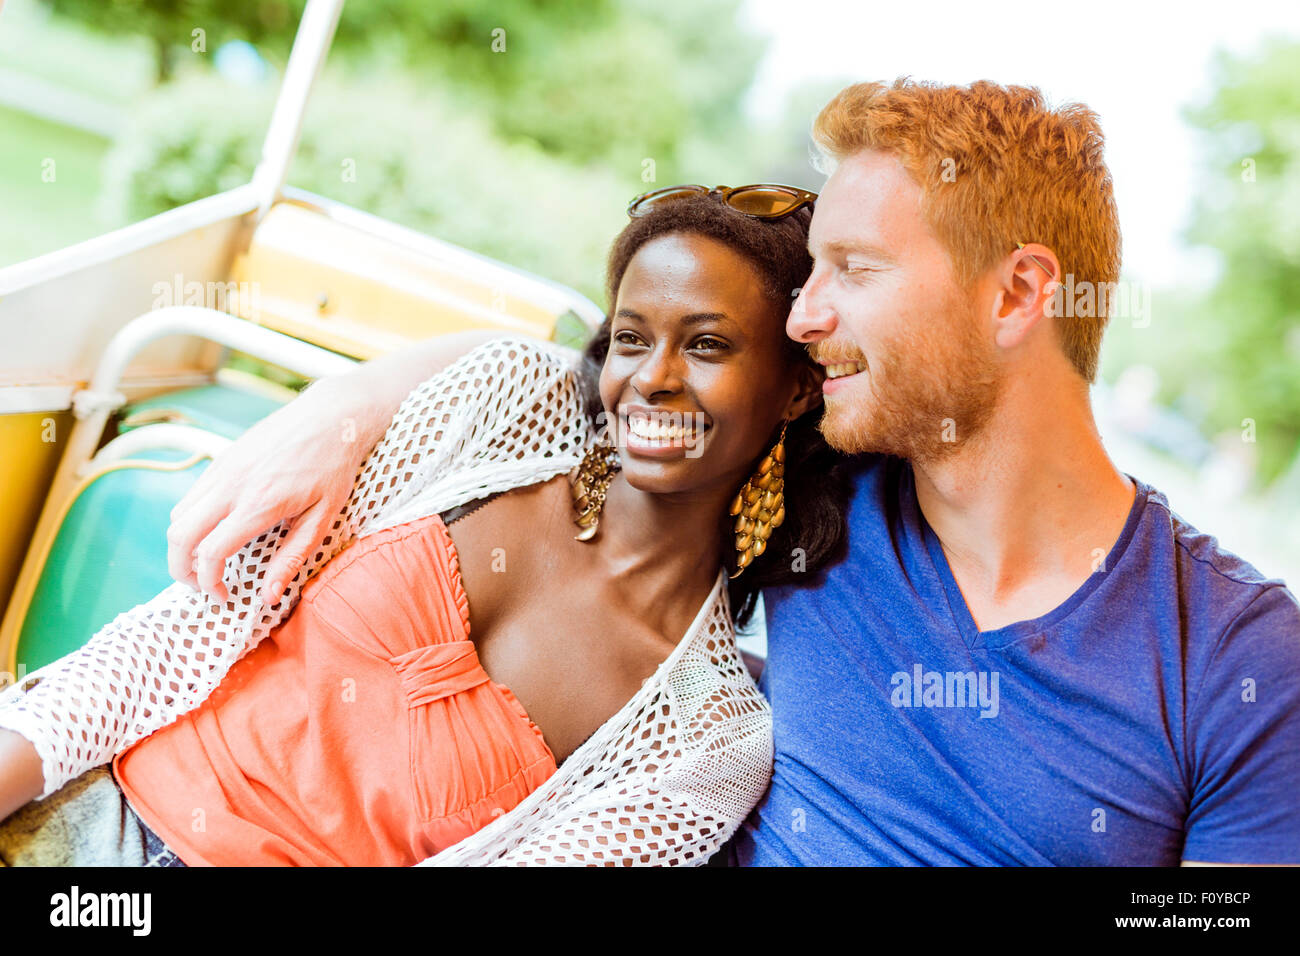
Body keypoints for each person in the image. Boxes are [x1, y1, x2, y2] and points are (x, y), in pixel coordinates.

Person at [156, 78, 1300, 868]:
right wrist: (345, 406)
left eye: (850, 269)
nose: (806, 314)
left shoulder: (1240, 657)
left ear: (1013, 294)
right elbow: (615, 376)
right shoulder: (821, 491)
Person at [0, 189, 845, 866]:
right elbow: (177, 639)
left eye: (706, 346)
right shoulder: (501, 411)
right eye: (632, 338)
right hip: (86, 799)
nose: (653, 380)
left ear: (797, 389)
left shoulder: (709, 741)